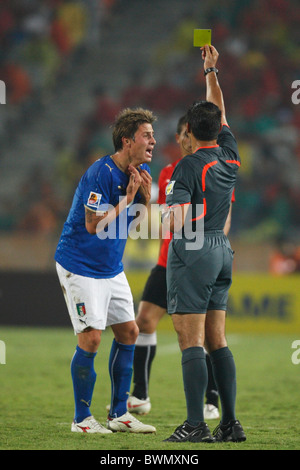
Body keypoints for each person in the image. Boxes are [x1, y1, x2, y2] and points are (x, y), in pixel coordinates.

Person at [55, 107, 157, 434]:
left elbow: (136, 225)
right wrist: (127, 199)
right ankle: (81, 420)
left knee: (129, 332)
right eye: (147, 135)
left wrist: (143, 198)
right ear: (127, 141)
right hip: (80, 265)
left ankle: (119, 415)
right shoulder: (101, 172)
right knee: (92, 339)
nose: (153, 140)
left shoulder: (137, 174)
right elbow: (92, 225)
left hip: (110, 268)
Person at [163, 45, 246, 443]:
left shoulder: (187, 165)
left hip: (193, 250)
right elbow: (221, 113)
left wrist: (161, 213)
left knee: (190, 341)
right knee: (218, 339)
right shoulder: (229, 155)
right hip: (221, 250)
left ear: (189, 133)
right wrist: (211, 70)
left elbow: (177, 220)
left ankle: (196, 425)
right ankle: (230, 423)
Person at [129, 115, 235, 419]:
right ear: (178, 138)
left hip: (196, 260)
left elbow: (219, 216)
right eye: (181, 135)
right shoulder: (168, 172)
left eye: (189, 133)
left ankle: (209, 403)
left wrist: (202, 247)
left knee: (199, 333)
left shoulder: (212, 167)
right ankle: (140, 395)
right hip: (168, 261)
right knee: (145, 321)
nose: (185, 139)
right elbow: (167, 218)